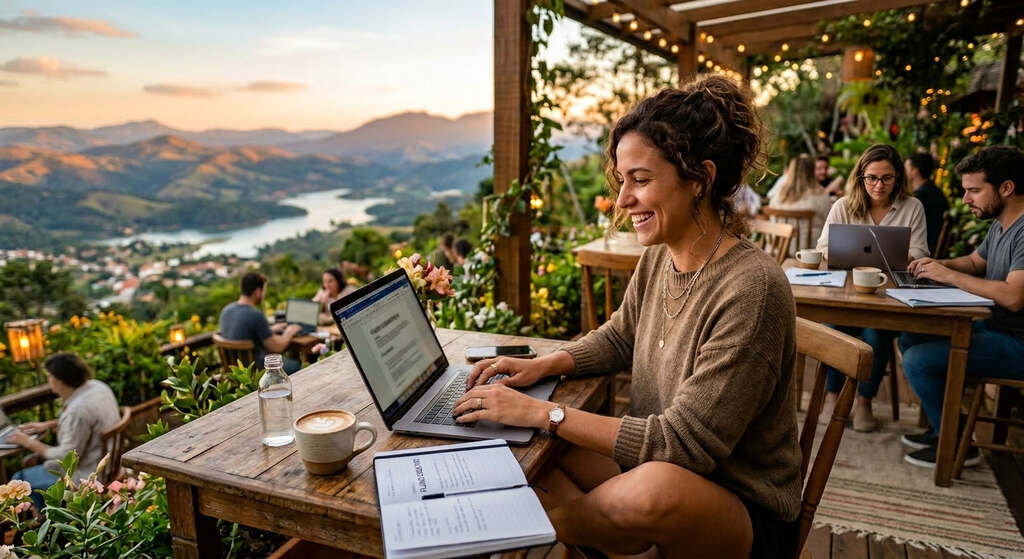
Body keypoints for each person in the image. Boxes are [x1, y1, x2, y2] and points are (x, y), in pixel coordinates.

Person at [451, 76, 801, 559]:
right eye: (622, 180)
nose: (622, 200)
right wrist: (542, 366)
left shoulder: (752, 288)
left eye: (640, 179)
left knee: (642, 484)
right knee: (528, 442)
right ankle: (607, 536)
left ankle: (518, 529)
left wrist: (542, 412)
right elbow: (620, 337)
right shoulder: (662, 255)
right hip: (655, 466)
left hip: (740, 507)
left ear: (700, 179)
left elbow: (682, 444)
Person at [899, 145, 1024, 468]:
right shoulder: (1001, 223)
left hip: (1017, 343)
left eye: (974, 191)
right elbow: (974, 262)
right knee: (910, 336)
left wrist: (949, 276)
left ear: (1006, 188)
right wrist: (934, 265)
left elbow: (1013, 296)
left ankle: (956, 444)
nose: (966, 199)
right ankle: (945, 428)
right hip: (995, 326)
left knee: (918, 361)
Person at [815, 144, 929, 432]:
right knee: (833, 326)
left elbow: (920, 253)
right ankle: (832, 396)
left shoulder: (912, 207)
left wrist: (896, 255)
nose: (879, 185)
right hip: (845, 293)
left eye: (887, 178)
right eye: (872, 178)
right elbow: (822, 248)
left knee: (877, 333)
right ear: (861, 177)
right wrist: (841, 252)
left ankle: (864, 401)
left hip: (888, 296)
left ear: (898, 177)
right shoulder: (843, 206)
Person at [8, 352, 120, 511]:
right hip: (108, 465)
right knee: (32, 468)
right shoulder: (97, 387)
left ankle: (47, 519)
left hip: (87, 475)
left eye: (49, 376)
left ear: (60, 380)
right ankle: (46, 515)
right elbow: (89, 422)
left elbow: (67, 457)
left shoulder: (78, 410)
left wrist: (27, 442)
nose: (48, 380)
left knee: (19, 480)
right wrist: (50, 424)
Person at [219, 272, 302, 374]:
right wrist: (289, 332)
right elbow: (277, 347)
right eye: (264, 290)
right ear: (258, 291)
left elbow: (244, 333)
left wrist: (270, 330)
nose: (264, 294)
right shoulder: (255, 315)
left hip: (235, 371)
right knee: (298, 365)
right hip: (257, 371)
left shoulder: (226, 310)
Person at [769, 154, 833, 248]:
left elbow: (772, 221)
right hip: (809, 249)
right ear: (812, 172)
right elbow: (828, 225)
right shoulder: (821, 195)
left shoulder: (778, 195)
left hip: (779, 248)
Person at [906, 153, 949, 254]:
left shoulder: (919, 199)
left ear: (915, 171)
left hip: (922, 249)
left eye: (905, 168)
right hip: (932, 246)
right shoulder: (937, 192)